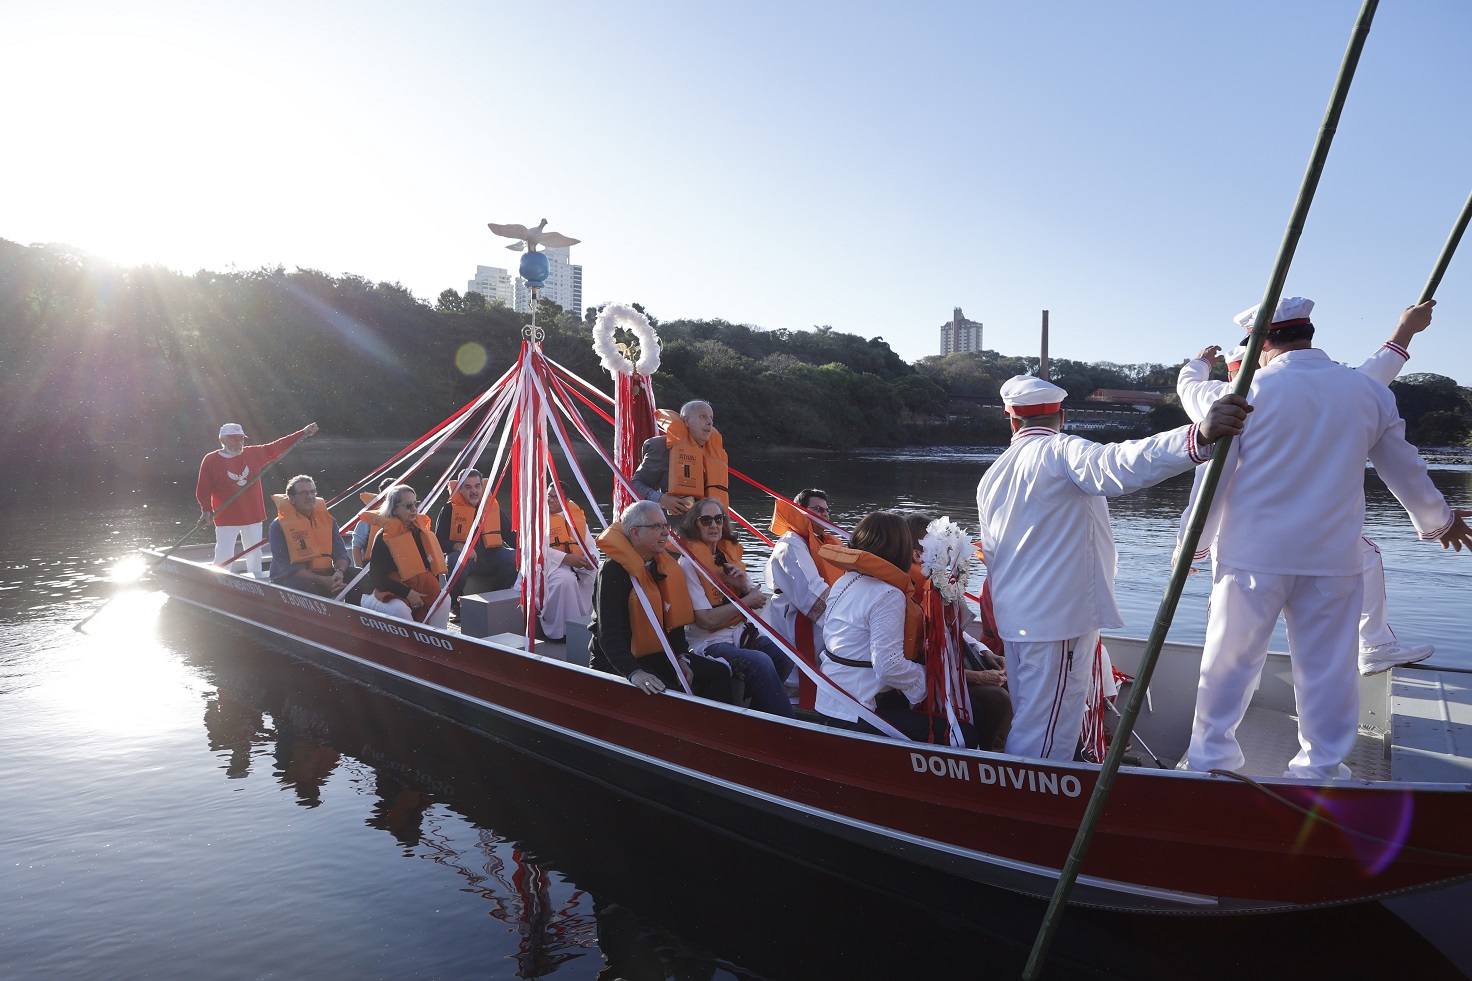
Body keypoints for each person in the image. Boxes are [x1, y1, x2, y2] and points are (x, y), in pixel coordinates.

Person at [1180, 296, 1471, 779]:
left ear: (1260, 343)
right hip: (1332, 557)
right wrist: (1439, 520)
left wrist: (1192, 548)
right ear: (1307, 333)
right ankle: (1318, 769)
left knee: (1229, 664)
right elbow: (1405, 469)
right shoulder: (1366, 392)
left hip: (1253, 558)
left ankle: (1210, 762)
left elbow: (1214, 481)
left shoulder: (1240, 394)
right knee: (1327, 670)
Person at [975, 375, 1247, 761]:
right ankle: (1037, 810)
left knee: (1031, 719)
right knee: (1046, 734)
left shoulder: (994, 474)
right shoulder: (1060, 451)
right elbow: (1120, 463)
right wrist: (1198, 436)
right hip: (1058, 623)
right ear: (1062, 416)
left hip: (1017, 623)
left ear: (1011, 420)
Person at [1175, 300, 1440, 675]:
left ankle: (1375, 642)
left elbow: (1188, 389)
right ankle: (1374, 643)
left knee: (1232, 657)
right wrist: (1406, 330)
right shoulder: (1234, 397)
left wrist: (1198, 363)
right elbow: (1374, 376)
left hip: (1267, 544)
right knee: (1247, 651)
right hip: (1279, 542)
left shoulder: (1233, 396)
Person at [588, 500, 735, 703]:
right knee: (673, 695)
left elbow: (673, 623)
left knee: (718, 673)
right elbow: (608, 634)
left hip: (657, 654)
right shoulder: (612, 571)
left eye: (665, 525)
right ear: (635, 533)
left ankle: (720, 730)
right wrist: (634, 672)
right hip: (617, 661)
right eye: (656, 526)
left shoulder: (663, 566)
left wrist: (682, 657)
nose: (666, 532)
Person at [675, 498, 794, 717]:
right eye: (706, 520)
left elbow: (758, 601)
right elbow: (706, 620)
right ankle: (789, 727)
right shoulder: (688, 566)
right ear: (695, 524)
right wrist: (745, 601)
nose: (714, 525)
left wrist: (742, 588)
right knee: (761, 661)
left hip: (738, 636)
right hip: (708, 644)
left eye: (718, 519)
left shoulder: (724, 558)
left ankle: (761, 719)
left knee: (785, 653)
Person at [905, 512, 1011, 751]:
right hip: (926, 681)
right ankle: (987, 757)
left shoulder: (938, 584)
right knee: (999, 698)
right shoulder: (909, 591)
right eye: (943, 546)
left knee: (1008, 684)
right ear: (919, 552)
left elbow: (953, 630)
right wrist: (974, 677)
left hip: (950, 669)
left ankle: (1000, 749)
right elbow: (923, 656)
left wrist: (984, 652)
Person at [196, 421, 317, 577]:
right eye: (234, 439)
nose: (239, 442)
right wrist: (206, 510)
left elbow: (278, 446)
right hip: (225, 517)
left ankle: (256, 581)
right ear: (223, 440)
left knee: (254, 552)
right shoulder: (211, 460)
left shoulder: (253, 454)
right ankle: (218, 581)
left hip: (253, 515)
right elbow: (203, 489)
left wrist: (303, 432)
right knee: (224, 554)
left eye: (241, 439)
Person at [765, 489, 844, 666]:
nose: (824, 514)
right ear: (799, 510)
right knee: (800, 678)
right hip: (797, 624)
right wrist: (848, 622)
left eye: (827, 511)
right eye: (818, 509)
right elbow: (810, 591)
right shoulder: (790, 544)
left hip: (824, 622)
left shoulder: (825, 542)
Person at [361, 485, 450, 628]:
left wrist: (426, 593)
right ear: (395, 509)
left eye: (416, 504)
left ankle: (438, 640)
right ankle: (411, 646)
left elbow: (431, 570)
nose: (414, 509)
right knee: (400, 609)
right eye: (408, 505)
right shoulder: (383, 537)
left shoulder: (419, 533)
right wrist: (407, 593)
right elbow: (376, 578)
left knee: (444, 599)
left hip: (415, 588)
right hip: (386, 592)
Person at [434, 469, 518, 612]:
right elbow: (438, 542)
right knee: (454, 560)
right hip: (466, 560)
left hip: (492, 557)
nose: (474, 491)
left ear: (482, 487)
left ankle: (496, 598)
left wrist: (530, 548)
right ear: (460, 489)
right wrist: (459, 546)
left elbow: (510, 536)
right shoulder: (449, 509)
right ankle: (456, 605)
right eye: (468, 487)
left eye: (477, 486)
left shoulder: (492, 507)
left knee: (515, 556)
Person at [630, 400, 728, 515]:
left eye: (711, 417)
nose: (709, 422)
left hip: (710, 525)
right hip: (674, 528)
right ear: (686, 420)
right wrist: (661, 499)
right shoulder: (661, 447)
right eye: (703, 416)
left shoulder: (715, 453)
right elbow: (635, 483)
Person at [267, 474, 356, 596]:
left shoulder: (329, 521)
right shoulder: (277, 527)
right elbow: (287, 568)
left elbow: (340, 552)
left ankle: (357, 613)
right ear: (292, 498)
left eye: (312, 492)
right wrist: (323, 581)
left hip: (324, 576)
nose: (309, 496)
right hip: (291, 579)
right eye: (304, 493)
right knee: (304, 586)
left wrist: (339, 572)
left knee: (356, 577)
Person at [539, 483, 598, 641]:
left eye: (555, 498)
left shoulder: (576, 518)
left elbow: (591, 546)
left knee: (597, 574)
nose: (550, 500)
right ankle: (560, 631)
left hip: (577, 564)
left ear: (566, 500)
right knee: (565, 580)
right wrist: (566, 558)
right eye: (548, 496)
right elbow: (536, 549)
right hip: (549, 566)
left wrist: (590, 559)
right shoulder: (538, 518)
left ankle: (588, 623)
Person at [352, 477, 397, 566]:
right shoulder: (369, 517)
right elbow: (356, 546)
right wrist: (360, 571)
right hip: (372, 567)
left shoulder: (406, 516)